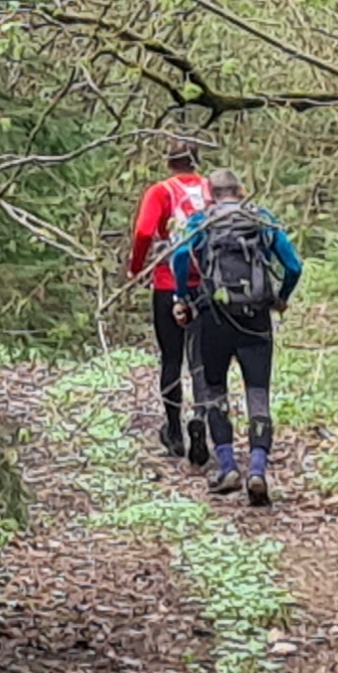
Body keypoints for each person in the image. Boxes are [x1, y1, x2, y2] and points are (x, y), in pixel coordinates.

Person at [167, 169, 302, 503]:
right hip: (256, 318)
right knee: (258, 393)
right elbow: (294, 266)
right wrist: (281, 297)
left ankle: (227, 466)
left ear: (210, 194)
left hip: (214, 317)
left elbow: (180, 257)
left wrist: (182, 298)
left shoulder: (202, 221)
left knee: (214, 391)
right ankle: (257, 470)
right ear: (241, 190)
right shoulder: (261, 219)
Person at [126, 137, 214, 463]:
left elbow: (144, 232)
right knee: (202, 358)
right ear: (196, 161)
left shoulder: (160, 192)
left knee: (172, 359)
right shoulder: (211, 190)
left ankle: (175, 432)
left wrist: (137, 267)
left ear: (168, 162)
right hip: (207, 285)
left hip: (168, 285)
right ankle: (201, 419)